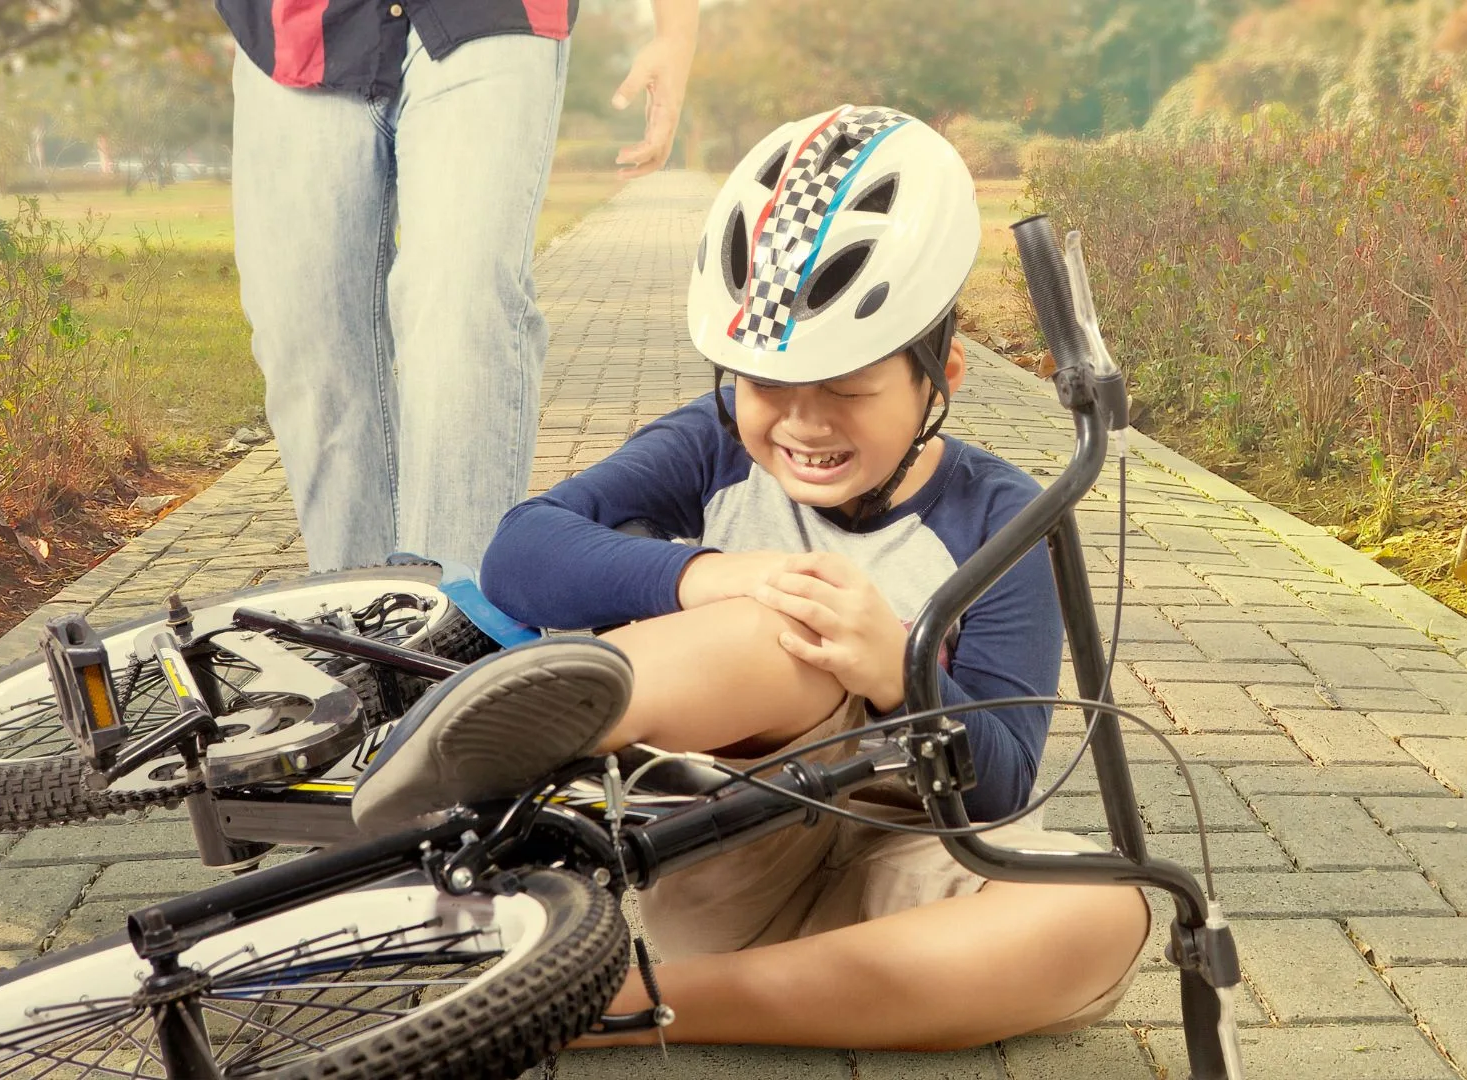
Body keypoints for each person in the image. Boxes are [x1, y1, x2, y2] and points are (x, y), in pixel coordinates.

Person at [351, 104, 1150, 1050]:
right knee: (783, 627)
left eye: (849, 392)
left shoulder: (1003, 517)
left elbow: (1007, 784)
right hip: (736, 849)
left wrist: (898, 667)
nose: (804, 426)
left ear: (945, 377)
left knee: (1114, 907)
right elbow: (525, 550)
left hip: (908, 864)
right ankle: (466, 758)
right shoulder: (716, 444)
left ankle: (608, 1003)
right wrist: (708, 577)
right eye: (768, 388)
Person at [217, 0, 699, 573]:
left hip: (491, 17)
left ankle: (462, 633)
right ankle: (357, 624)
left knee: (460, 305)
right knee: (306, 339)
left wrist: (676, 33)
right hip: (290, 26)